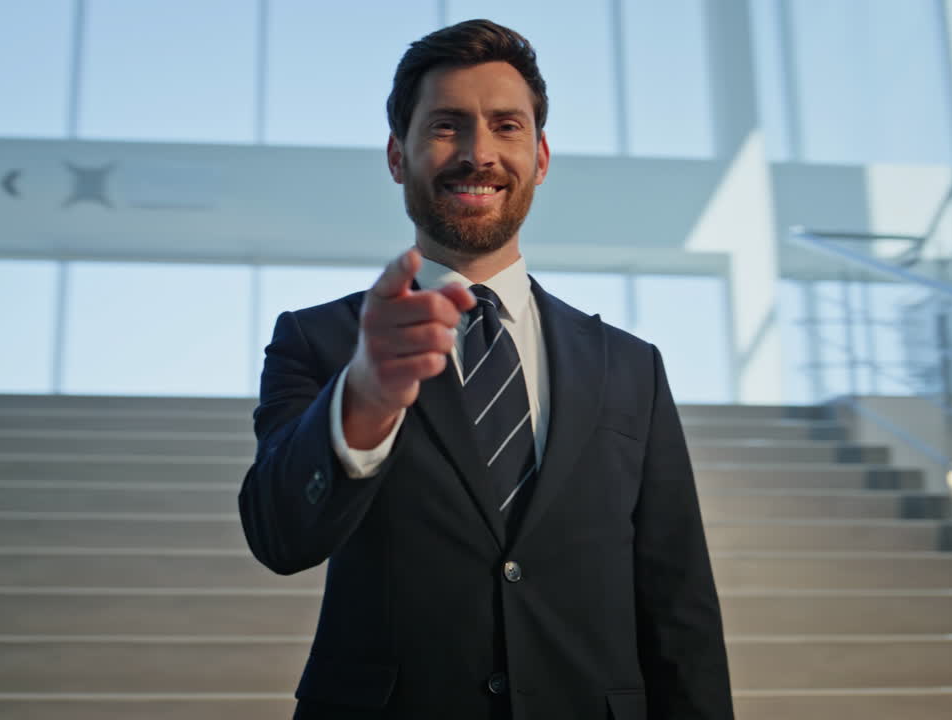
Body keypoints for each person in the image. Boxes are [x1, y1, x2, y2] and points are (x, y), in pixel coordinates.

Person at [239, 19, 733, 720]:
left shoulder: (631, 369)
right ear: (395, 155)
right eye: (446, 126)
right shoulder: (321, 343)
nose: (479, 153)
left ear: (540, 155)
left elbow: (680, 607)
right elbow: (279, 538)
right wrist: (365, 401)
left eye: (507, 126)